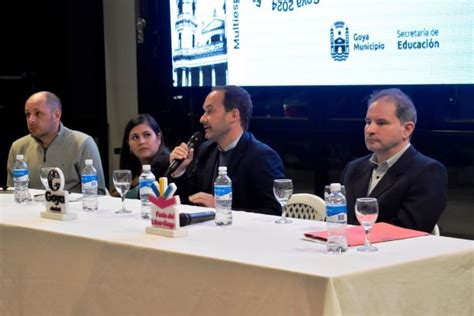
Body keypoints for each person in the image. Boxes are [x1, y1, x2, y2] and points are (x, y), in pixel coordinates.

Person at [341, 88, 447, 233]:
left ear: (407, 129)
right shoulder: (353, 168)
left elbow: (407, 231)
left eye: (381, 123)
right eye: (368, 121)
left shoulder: (428, 172)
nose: (370, 129)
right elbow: (336, 221)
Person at [169, 85, 285, 215]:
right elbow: (189, 201)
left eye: (210, 111)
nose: (202, 119)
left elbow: (273, 213)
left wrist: (222, 209)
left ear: (233, 116)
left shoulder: (262, 157)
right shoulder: (206, 150)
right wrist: (179, 171)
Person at [7, 91, 106, 194]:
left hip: (70, 208)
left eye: (37, 113)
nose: (31, 120)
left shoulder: (83, 143)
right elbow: (11, 192)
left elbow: (98, 193)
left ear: (57, 115)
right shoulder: (18, 147)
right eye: (28, 114)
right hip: (28, 208)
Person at [111, 114, 170, 198]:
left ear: (158, 139)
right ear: (128, 144)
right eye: (135, 137)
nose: (141, 141)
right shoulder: (132, 170)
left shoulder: (169, 164)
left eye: (147, 135)